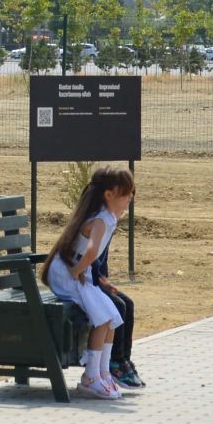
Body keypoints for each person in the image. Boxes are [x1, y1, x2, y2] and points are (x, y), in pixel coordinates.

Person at [42, 167, 137, 400]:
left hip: (77, 271)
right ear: (109, 195)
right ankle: (90, 377)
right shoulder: (100, 220)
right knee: (103, 318)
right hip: (66, 274)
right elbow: (92, 251)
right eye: (126, 193)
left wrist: (99, 280)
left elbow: (92, 254)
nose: (130, 198)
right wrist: (77, 270)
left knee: (112, 316)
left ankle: (102, 372)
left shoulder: (109, 218)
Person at [92, 252, 144, 388]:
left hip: (95, 277)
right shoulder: (93, 236)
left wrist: (103, 278)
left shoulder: (105, 236)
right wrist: (98, 279)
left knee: (128, 303)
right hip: (85, 279)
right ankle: (115, 361)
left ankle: (124, 360)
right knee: (118, 305)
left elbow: (101, 259)